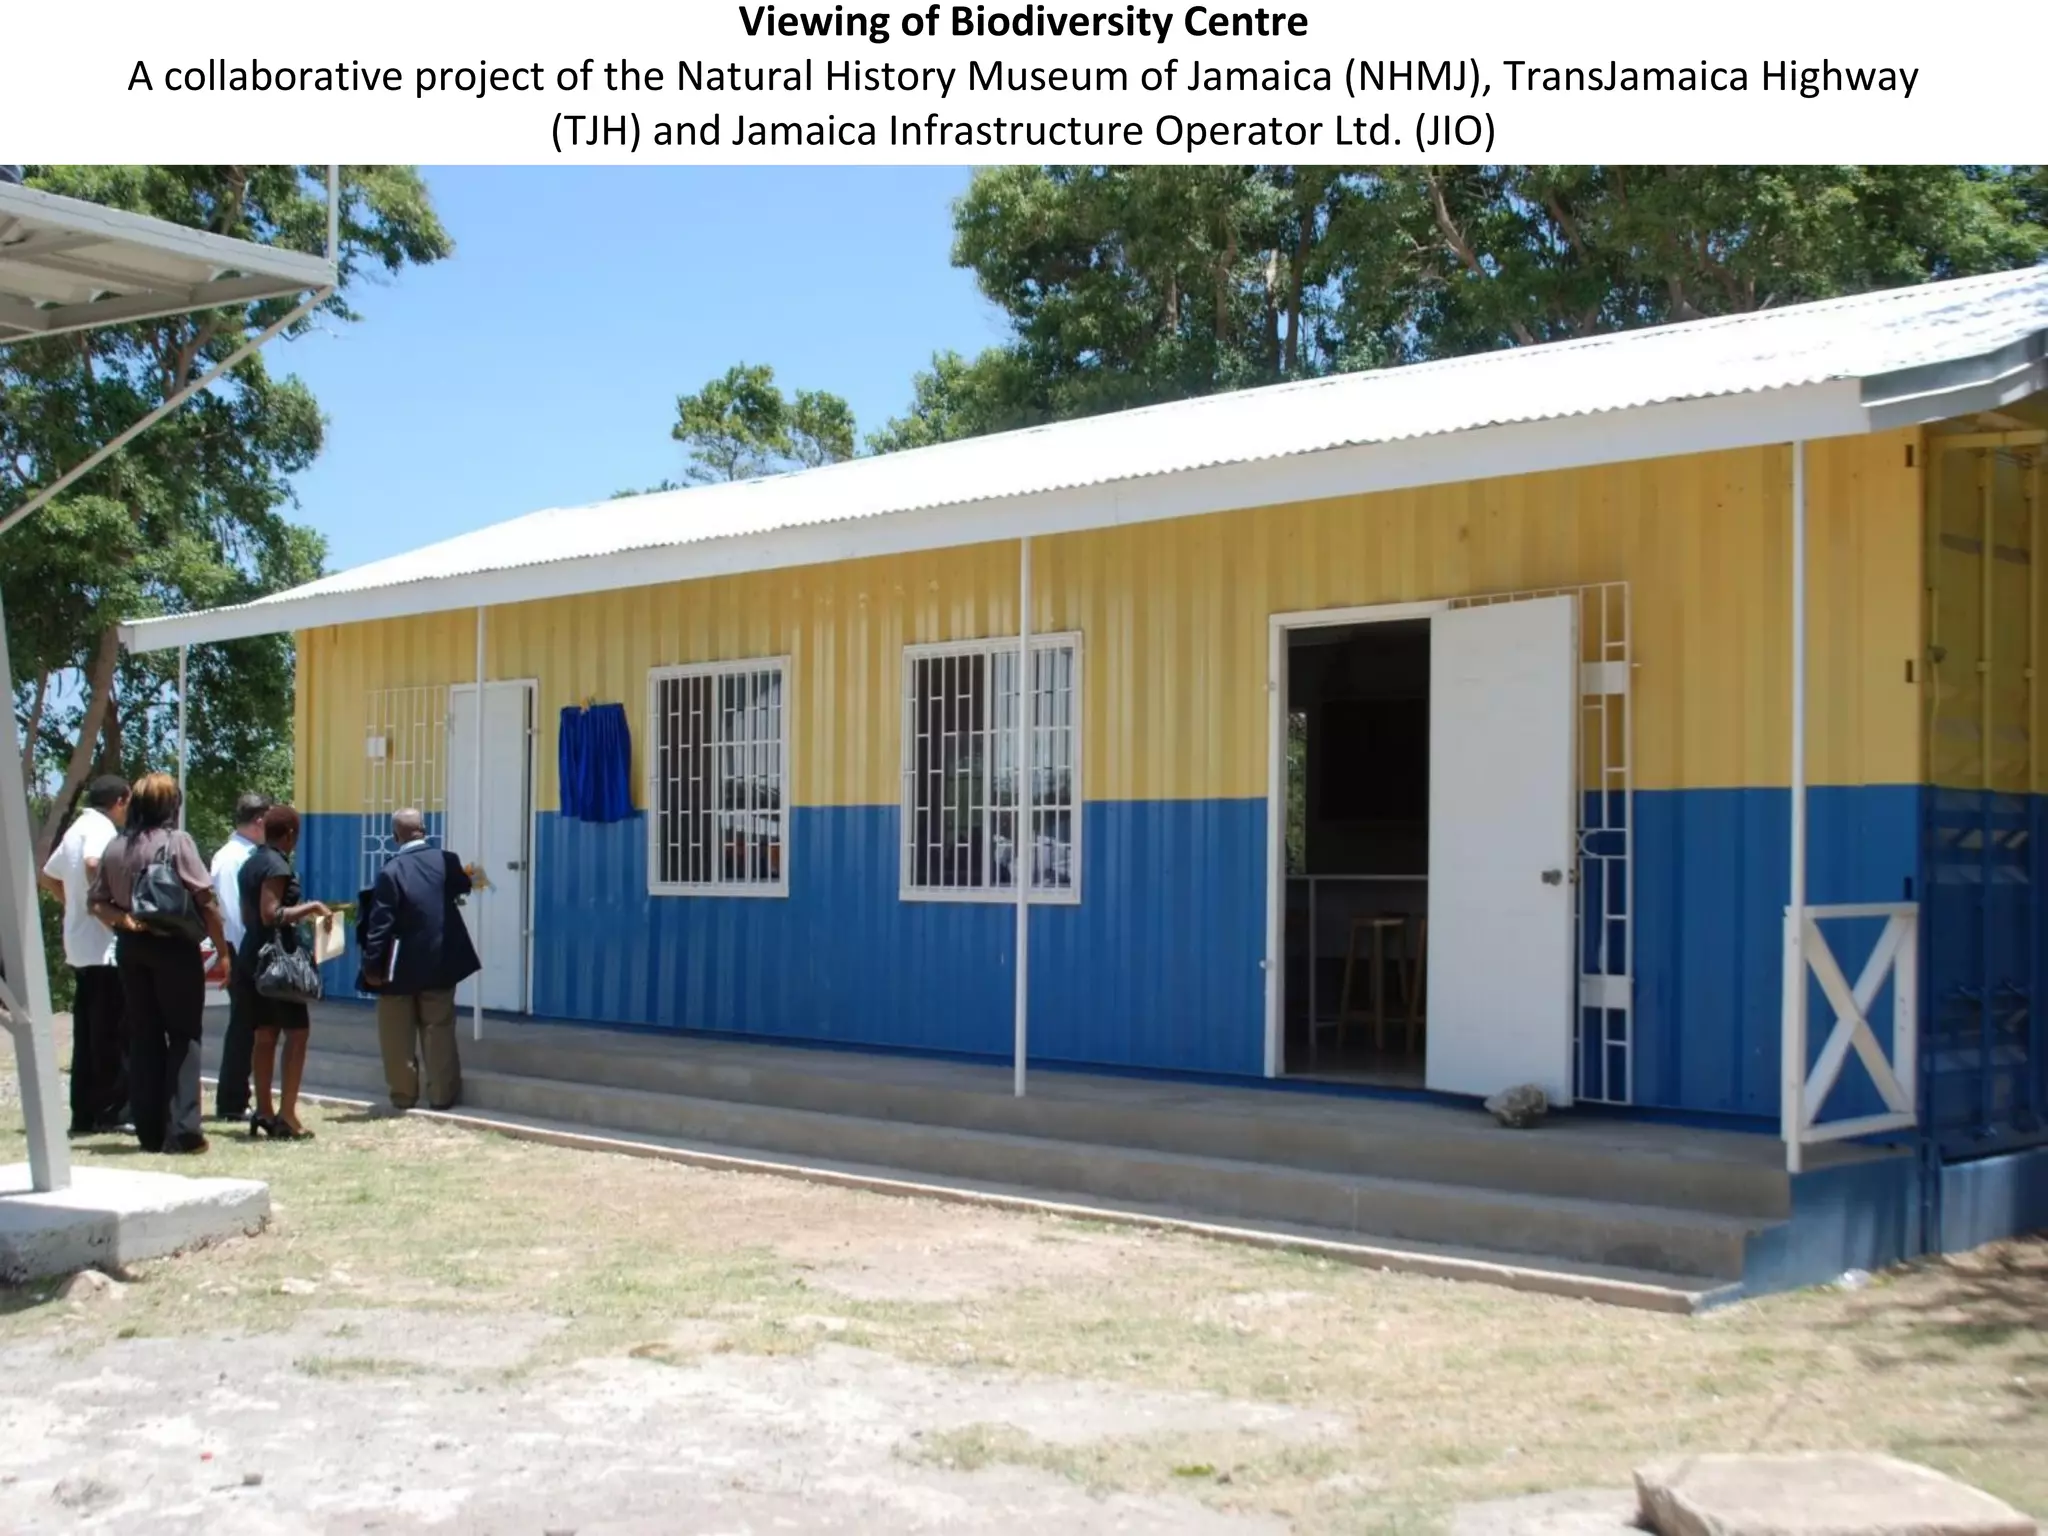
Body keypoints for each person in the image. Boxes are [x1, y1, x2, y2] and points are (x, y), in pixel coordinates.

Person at [86, 773, 230, 1155]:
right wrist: (223, 951)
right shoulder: (176, 842)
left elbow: (95, 902)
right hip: (173, 947)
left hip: (131, 949)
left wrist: (124, 920)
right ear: (171, 806)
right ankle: (183, 1130)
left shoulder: (116, 847)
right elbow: (207, 902)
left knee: (144, 1036)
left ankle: (149, 1131)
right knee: (184, 1035)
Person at [359, 808, 479, 1113]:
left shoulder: (391, 871)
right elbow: (465, 885)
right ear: (424, 830)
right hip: (441, 962)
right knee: (438, 1028)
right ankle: (442, 1095)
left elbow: (380, 924)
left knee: (396, 1035)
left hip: (398, 968)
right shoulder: (447, 861)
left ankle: (403, 1097)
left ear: (396, 835)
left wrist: (371, 966)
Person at [37, 775, 131, 1136]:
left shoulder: (76, 828)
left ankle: (85, 1112)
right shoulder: (102, 830)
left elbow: (48, 876)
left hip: (78, 943)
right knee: (111, 1034)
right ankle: (110, 1111)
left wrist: (74, 904)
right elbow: (94, 863)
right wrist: (104, 906)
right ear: (120, 801)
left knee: (88, 1033)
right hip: (102, 945)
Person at [237, 804, 329, 1140]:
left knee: (265, 1034)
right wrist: (313, 907)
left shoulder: (251, 862)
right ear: (289, 834)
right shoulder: (276, 864)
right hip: (276, 962)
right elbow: (270, 913)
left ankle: (263, 1109)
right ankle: (287, 1114)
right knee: (297, 1033)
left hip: (252, 956)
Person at [209, 792, 271, 1121]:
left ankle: (237, 1096)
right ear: (259, 821)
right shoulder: (234, 858)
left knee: (250, 1025)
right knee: (243, 1027)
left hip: (244, 947)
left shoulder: (243, 854)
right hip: (243, 947)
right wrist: (246, 954)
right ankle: (232, 1099)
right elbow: (233, 914)